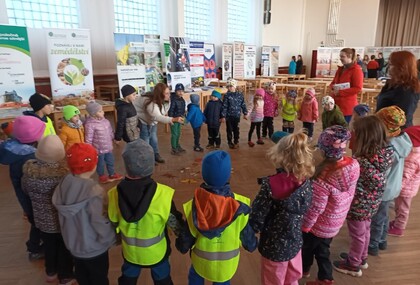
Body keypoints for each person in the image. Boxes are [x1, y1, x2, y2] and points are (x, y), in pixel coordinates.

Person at [108, 139, 185, 285]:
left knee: (127, 278)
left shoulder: (114, 194)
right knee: (163, 279)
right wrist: (184, 240)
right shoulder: (163, 194)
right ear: (151, 166)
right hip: (156, 253)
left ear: (126, 166)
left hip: (130, 252)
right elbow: (175, 224)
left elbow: (113, 221)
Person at [177, 150, 258, 285]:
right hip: (226, 266)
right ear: (228, 175)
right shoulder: (240, 205)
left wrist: (181, 246)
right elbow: (248, 239)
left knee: (195, 277)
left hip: (200, 262)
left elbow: (186, 238)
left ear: (204, 175)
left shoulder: (195, 205)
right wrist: (253, 245)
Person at [250, 131, 314, 285]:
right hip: (295, 242)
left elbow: (257, 216)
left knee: (273, 280)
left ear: (280, 155)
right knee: (292, 279)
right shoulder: (306, 182)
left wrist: (248, 233)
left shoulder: (270, 185)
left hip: (273, 246)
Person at [333, 116, 393, 278]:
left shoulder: (362, 163)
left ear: (363, 138)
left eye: (355, 134)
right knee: (365, 231)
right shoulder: (381, 156)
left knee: (358, 235)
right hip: (371, 204)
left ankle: (353, 264)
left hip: (359, 206)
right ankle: (361, 257)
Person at [302, 126, 359, 284]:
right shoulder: (353, 165)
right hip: (336, 221)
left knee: (308, 249)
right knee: (323, 250)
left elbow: (315, 209)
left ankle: (310, 271)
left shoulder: (321, 179)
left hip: (317, 227)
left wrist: (305, 226)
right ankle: (324, 278)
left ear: (323, 149)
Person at [52, 143, 116, 285]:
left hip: (74, 246)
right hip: (95, 249)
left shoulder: (63, 183)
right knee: (99, 278)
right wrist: (111, 238)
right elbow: (99, 221)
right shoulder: (94, 191)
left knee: (82, 277)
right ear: (94, 165)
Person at [22, 135, 75, 284]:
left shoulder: (29, 174)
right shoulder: (64, 176)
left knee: (49, 248)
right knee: (64, 249)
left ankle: (50, 272)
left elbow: (25, 190)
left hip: (42, 222)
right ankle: (65, 276)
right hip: (61, 222)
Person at [0, 116, 46, 260]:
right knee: (38, 223)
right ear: (33, 136)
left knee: (36, 222)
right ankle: (35, 248)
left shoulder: (14, 150)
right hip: (33, 199)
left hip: (25, 198)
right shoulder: (30, 157)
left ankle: (35, 246)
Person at [368, 106, 412, 256]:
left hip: (383, 188)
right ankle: (382, 240)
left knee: (377, 217)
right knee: (384, 214)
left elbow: (380, 171)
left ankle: (373, 244)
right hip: (393, 186)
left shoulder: (388, 148)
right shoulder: (402, 140)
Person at [135, 83, 184, 163]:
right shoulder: (150, 103)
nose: (169, 95)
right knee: (145, 138)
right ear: (160, 95)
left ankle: (156, 155)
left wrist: (169, 119)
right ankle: (148, 159)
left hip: (152, 119)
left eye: (169, 92)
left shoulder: (166, 100)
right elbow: (157, 116)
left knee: (153, 137)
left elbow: (162, 113)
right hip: (142, 119)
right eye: (166, 93)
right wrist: (173, 119)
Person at [388, 125, 420, 237]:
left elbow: (405, 176)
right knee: (400, 207)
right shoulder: (415, 153)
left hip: (405, 189)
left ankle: (399, 227)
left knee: (402, 208)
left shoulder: (412, 158)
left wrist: (395, 189)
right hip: (408, 187)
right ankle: (398, 222)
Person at [376, 50, 420, 128]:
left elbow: (401, 119)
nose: (388, 68)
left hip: (395, 133)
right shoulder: (392, 84)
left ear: (401, 67)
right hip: (382, 128)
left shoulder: (407, 90)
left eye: (391, 65)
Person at [84, 101, 123, 184]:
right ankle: (101, 176)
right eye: (100, 111)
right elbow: (88, 138)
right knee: (100, 164)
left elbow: (110, 131)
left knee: (110, 161)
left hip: (108, 147)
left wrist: (114, 139)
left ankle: (112, 174)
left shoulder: (106, 121)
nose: (103, 112)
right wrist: (88, 149)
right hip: (98, 150)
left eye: (102, 110)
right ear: (93, 114)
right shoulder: (90, 124)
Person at [330, 48, 363, 123]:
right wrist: (332, 87)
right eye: (340, 56)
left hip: (347, 107)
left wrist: (340, 92)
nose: (340, 58)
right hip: (336, 105)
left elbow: (358, 88)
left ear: (350, 56)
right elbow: (333, 82)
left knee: (344, 131)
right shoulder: (340, 69)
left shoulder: (356, 70)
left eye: (342, 56)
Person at [221, 78, 248, 149]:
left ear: (235, 86)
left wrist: (245, 113)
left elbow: (243, 104)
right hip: (229, 116)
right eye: (228, 86)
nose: (229, 88)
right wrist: (223, 116)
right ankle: (230, 142)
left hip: (237, 116)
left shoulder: (240, 95)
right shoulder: (226, 95)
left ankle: (236, 141)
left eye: (231, 86)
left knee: (236, 129)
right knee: (229, 130)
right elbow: (225, 106)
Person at [168, 83, 187, 155]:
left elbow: (183, 110)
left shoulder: (182, 100)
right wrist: (171, 119)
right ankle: (174, 148)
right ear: (175, 91)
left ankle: (177, 145)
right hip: (174, 120)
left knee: (178, 133)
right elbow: (171, 110)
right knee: (174, 134)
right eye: (179, 91)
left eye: (182, 91)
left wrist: (183, 117)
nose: (180, 92)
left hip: (179, 119)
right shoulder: (173, 100)